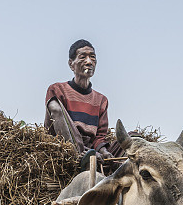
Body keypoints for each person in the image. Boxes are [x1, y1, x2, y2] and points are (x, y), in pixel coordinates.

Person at [44, 39, 124, 169]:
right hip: (66, 147)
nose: (89, 61)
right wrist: (80, 151)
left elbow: (99, 136)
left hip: (91, 151)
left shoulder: (101, 100)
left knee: (134, 138)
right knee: (56, 108)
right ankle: (81, 157)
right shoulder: (57, 89)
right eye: (83, 57)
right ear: (71, 64)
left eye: (92, 57)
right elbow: (55, 118)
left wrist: (104, 152)